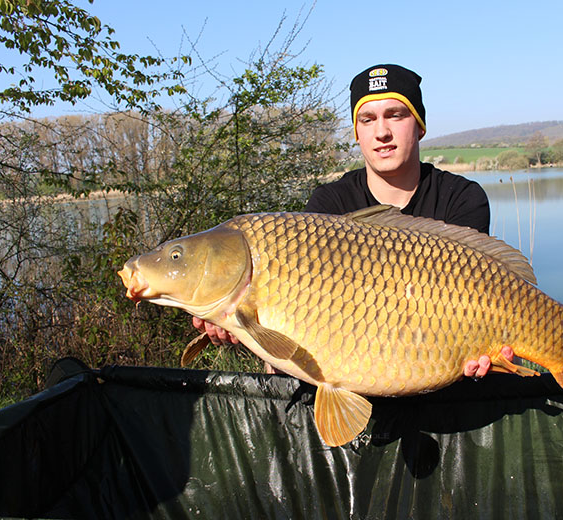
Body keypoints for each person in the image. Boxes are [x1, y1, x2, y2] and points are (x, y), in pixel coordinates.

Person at [193, 64, 514, 377]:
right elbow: (301, 315)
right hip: (354, 372)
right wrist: (237, 326)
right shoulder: (328, 204)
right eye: (368, 119)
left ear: (419, 125)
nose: (382, 132)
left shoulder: (461, 197)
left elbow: (479, 299)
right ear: (357, 133)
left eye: (396, 115)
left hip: (437, 373)